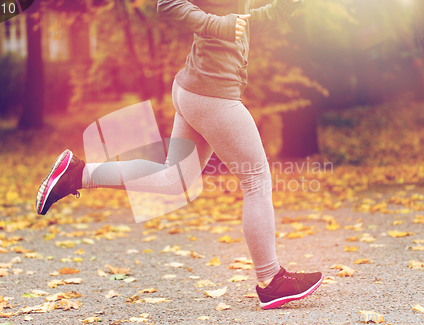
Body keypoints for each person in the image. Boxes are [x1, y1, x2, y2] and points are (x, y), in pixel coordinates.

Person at [36, 0, 323, 309]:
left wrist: (287, 6)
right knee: (256, 180)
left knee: (174, 178)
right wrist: (218, 24)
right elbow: (169, 4)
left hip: (198, 88)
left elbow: (242, 22)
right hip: (212, 93)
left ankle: (77, 173)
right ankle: (271, 280)